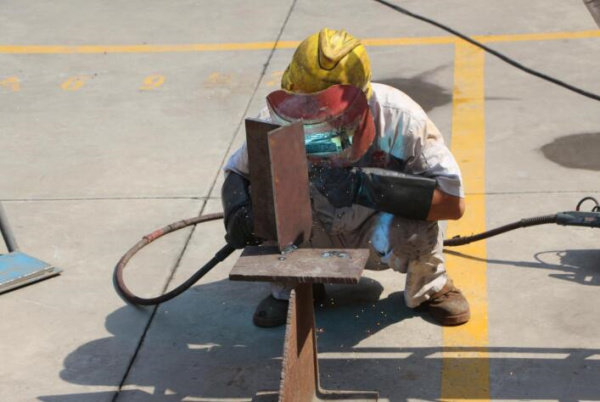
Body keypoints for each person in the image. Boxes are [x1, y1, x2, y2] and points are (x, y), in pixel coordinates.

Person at [221, 28, 469, 328]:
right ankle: (294, 289)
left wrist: (367, 188)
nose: (315, 120)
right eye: (307, 109)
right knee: (267, 199)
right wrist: (237, 211)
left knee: (417, 224)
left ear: (361, 101)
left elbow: (452, 202)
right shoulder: (278, 118)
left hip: (376, 233)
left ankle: (429, 287)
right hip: (312, 229)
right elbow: (238, 172)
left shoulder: (401, 118)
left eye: (326, 114)